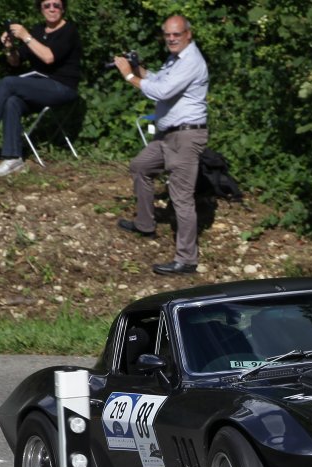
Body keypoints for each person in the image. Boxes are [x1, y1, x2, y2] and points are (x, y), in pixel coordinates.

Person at [114, 15, 209, 276]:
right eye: (167, 34)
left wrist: (128, 75)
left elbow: (162, 92)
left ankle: (186, 260)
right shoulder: (175, 59)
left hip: (185, 137)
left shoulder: (191, 60)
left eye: (176, 34)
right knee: (141, 166)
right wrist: (139, 69)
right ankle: (145, 224)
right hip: (167, 135)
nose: (171, 39)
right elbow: (159, 80)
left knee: (181, 197)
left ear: (188, 34)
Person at [0, 0, 81, 178]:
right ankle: (13, 158)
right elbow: (15, 62)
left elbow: (49, 57)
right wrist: (10, 48)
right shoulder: (38, 30)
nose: (52, 9)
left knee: (8, 83)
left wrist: (26, 37)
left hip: (62, 87)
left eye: (56, 5)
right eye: (47, 5)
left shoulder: (69, 31)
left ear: (63, 9)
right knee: (12, 101)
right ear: (41, 9)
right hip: (38, 87)